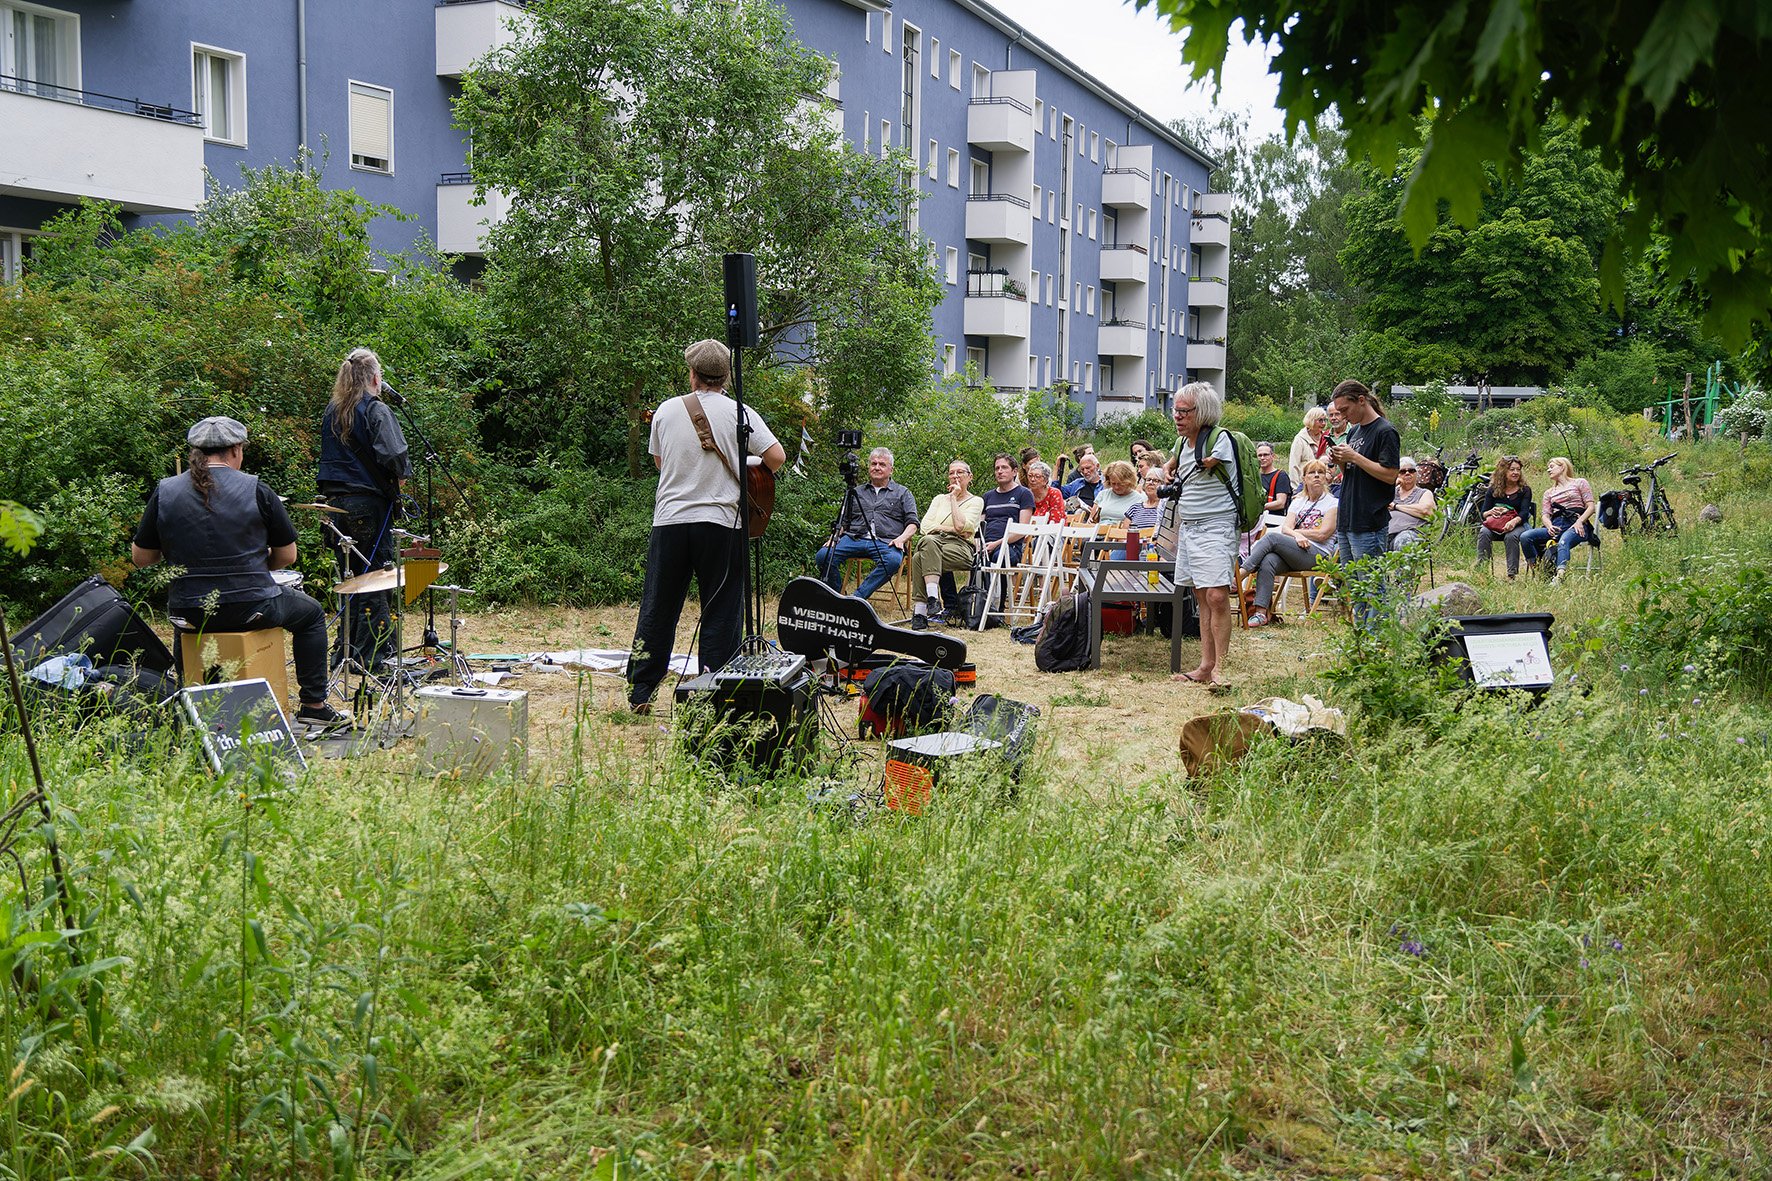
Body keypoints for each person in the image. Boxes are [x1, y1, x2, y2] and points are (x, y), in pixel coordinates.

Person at [132, 416, 349, 730]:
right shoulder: (256, 488)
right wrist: (255, 566)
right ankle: (313, 704)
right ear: (236, 450)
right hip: (251, 607)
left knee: (187, 626)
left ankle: (192, 705)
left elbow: (141, 558)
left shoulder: (165, 491)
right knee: (312, 614)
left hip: (189, 610)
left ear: (195, 452)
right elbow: (288, 555)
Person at [626, 339, 786, 713]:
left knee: (658, 607)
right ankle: (715, 693)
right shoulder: (740, 413)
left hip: (671, 521)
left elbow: (660, 464)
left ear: (693, 374)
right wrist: (742, 462)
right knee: (721, 611)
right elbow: (776, 458)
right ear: (726, 377)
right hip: (721, 524)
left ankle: (641, 691)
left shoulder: (667, 411)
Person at [317, 347, 412, 669]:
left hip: (335, 507)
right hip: (368, 505)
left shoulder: (332, 411)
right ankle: (375, 656)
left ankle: (345, 652)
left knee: (350, 578)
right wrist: (400, 477)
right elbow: (395, 455)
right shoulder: (376, 410)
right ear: (374, 378)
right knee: (375, 578)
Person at [1162, 381, 1239, 692]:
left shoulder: (1219, 440)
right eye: (1175, 411)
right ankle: (1206, 666)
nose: (1177, 417)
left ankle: (1222, 668)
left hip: (1217, 526)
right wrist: (1168, 467)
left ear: (1203, 412)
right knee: (1201, 596)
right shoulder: (1182, 444)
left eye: (1184, 412)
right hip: (1190, 527)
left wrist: (1197, 461)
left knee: (1217, 596)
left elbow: (1209, 462)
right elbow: (1174, 463)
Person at [1326, 379, 1400, 624]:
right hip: (1348, 517)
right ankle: (1361, 637)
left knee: (1371, 587)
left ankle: (1375, 639)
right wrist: (1341, 461)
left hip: (1369, 520)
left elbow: (1390, 475)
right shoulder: (1354, 432)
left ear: (1361, 400)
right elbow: (1353, 474)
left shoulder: (1385, 431)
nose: (1342, 416)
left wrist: (1355, 456)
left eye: (1345, 410)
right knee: (1355, 587)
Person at [814, 447, 918, 602]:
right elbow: (844, 522)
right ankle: (837, 596)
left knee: (892, 561)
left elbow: (913, 523)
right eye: (873, 464)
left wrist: (901, 539)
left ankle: (856, 599)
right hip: (855, 539)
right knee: (823, 555)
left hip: (886, 541)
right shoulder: (856, 491)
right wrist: (833, 538)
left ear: (891, 470)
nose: (877, 467)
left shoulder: (903, 493)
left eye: (882, 464)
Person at [1243, 460, 1339, 627]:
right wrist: (1296, 535)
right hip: (1296, 550)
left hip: (1319, 555)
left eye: (1321, 473)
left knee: (1272, 538)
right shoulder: (1298, 501)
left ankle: (1240, 575)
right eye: (1312, 473)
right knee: (1268, 561)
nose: (1317, 476)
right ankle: (1260, 613)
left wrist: (1297, 533)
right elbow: (1286, 528)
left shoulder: (1333, 503)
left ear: (1325, 478)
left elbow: (1323, 534)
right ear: (1304, 478)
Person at [909, 459, 982, 630]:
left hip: (960, 548)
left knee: (921, 555)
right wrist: (952, 529)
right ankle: (932, 602)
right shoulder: (939, 499)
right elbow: (925, 527)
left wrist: (954, 498)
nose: (955, 476)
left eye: (960, 472)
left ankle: (921, 611)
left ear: (970, 477)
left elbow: (961, 526)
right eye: (951, 473)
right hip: (933, 544)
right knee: (922, 551)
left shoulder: (976, 501)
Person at [1519, 456, 1596, 583]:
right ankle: (1537, 569)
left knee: (1564, 541)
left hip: (1576, 524)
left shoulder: (1580, 482)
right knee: (1525, 536)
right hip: (1556, 525)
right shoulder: (1549, 493)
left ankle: (1559, 576)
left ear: (1562, 467)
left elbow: (1591, 507)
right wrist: (1549, 526)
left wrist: (1580, 521)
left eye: (1551, 467)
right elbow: (1545, 515)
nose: (1548, 470)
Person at [1476, 455, 1534, 579]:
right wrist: (1491, 511)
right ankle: (1482, 570)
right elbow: (1483, 513)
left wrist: (1513, 522)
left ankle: (1511, 575)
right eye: (1512, 469)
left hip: (1518, 524)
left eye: (1518, 469)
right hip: (1496, 524)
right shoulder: (1493, 489)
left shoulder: (1525, 490)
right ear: (1503, 471)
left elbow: (1524, 513)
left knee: (1511, 536)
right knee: (1484, 532)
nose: (1516, 472)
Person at [980, 452, 1036, 563]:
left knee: (999, 557)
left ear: (1014, 472)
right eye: (997, 468)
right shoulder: (987, 496)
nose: (1000, 471)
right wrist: (979, 545)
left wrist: (996, 544)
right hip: (985, 545)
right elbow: (980, 527)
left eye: (1004, 467)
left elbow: (1022, 530)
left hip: (1009, 546)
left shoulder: (1024, 494)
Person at [1242, 441, 1293, 558]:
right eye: (1259, 455)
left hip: (1273, 524)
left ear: (1273, 456)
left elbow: (1281, 503)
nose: (1262, 458)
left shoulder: (1281, 475)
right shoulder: (1254, 477)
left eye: (1265, 455)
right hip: (1255, 524)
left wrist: (1258, 507)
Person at [1386, 457, 1436, 550]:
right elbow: (1374, 502)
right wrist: (1393, 484)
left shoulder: (1424, 493)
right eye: (1402, 472)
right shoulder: (1391, 493)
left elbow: (1427, 511)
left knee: (1404, 541)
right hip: (1386, 534)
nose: (1407, 473)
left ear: (1416, 474)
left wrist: (1396, 506)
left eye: (1411, 470)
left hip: (1411, 533)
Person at [1287, 405, 1330, 486]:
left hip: (1323, 485)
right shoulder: (1300, 439)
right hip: (1304, 485)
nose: (1324, 423)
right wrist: (1295, 488)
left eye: (1325, 420)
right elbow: (1293, 465)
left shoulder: (1327, 437)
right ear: (1312, 421)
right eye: (1320, 420)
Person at [1090, 460, 1141, 526]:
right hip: (1100, 529)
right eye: (1113, 483)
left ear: (1129, 481)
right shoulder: (1103, 494)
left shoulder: (1139, 499)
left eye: (1120, 484)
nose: (1116, 487)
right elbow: (1091, 520)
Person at [1025, 459, 1068, 524]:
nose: (1032, 479)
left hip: (1052, 529)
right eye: (1030, 476)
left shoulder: (1054, 494)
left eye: (1037, 476)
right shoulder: (1026, 495)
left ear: (1045, 480)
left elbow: (1056, 521)